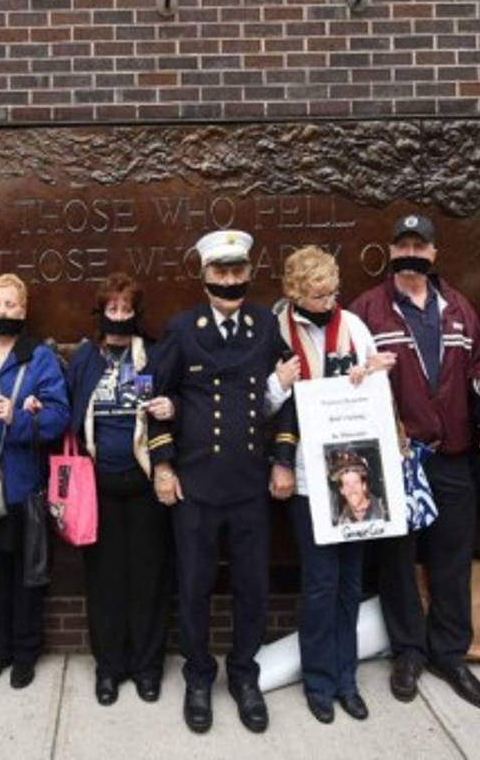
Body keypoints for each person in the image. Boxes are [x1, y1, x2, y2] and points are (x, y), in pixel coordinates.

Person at [349, 213, 480, 710]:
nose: (411, 254)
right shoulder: (366, 311)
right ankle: (409, 652)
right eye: (403, 246)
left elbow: (478, 370)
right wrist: (360, 372)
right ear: (391, 252)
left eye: (420, 246)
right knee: (397, 561)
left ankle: (449, 653)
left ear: (434, 253)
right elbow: (345, 374)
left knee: (451, 559)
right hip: (397, 458)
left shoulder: (457, 308)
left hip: (452, 456)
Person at [149, 229, 297, 735]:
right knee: (194, 587)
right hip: (195, 486)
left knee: (253, 588)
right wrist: (163, 466)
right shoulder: (182, 329)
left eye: (238, 271)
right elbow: (155, 398)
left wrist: (283, 460)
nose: (230, 281)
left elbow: (288, 395)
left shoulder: (264, 326)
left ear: (249, 273)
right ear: (204, 276)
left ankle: (243, 675)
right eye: (221, 272)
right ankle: (197, 677)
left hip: (250, 484)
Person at [266, 244, 390, 724]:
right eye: (318, 295)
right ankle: (319, 681)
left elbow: (379, 389)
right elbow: (260, 407)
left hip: (352, 469)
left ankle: (346, 679)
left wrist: (370, 375)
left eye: (332, 293)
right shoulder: (275, 331)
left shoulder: (352, 326)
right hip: (303, 474)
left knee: (350, 581)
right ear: (295, 292)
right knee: (321, 582)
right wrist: (278, 383)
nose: (327, 302)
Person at [65, 272, 173, 706]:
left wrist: (171, 408)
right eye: (112, 308)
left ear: (137, 313)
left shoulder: (154, 356)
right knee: (105, 583)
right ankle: (109, 667)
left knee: (149, 579)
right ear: (100, 311)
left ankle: (147, 667)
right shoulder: (84, 360)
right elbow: (70, 415)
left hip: (145, 485)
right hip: (99, 487)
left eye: (127, 309)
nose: (120, 315)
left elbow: (172, 408)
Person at [0, 273, 69, 690]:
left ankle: (25, 652)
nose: (2, 311)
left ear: (23, 310)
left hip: (23, 484)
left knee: (27, 575)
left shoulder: (40, 358)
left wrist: (20, 417)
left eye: (9, 304)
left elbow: (59, 417)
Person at [331, 453, 387, 525]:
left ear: (364, 486)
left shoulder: (385, 511)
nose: (352, 489)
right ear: (342, 490)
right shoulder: (340, 523)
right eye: (347, 484)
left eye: (356, 482)